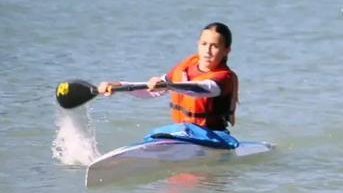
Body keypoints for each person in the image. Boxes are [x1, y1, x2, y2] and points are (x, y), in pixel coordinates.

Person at [97, 22, 240, 148]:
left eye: (214, 46)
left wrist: (168, 85)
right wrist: (118, 86)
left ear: (226, 50)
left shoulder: (224, 77)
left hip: (214, 137)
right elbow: (151, 90)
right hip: (184, 134)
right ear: (198, 44)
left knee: (163, 133)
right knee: (155, 135)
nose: (207, 51)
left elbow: (201, 89)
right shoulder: (187, 65)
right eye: (204, 44)